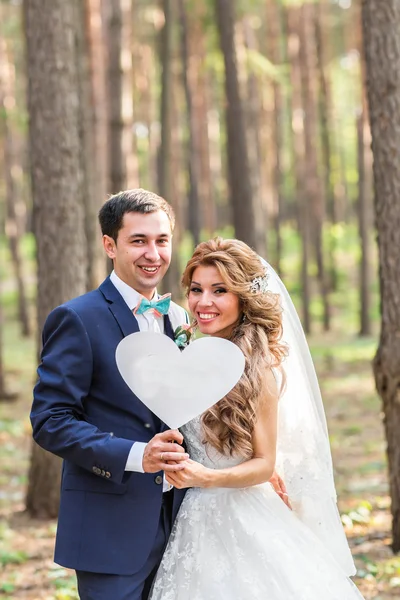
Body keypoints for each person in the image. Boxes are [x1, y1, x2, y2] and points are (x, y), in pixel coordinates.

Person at [150, 237, 365, 600]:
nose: (204, 302)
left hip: (242, 512)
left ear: (243, 298)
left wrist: (207, 477)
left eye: (220, 290)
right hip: (192, 519)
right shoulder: (186, 352)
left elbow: (265, 464)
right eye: (196, 289)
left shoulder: (258, 368)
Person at [30, 189, 191, 600]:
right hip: (109, 526)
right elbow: (51, 421)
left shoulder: (181, 318)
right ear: (109, 245)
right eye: (138, 241)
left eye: (161, 240)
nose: (152, 253)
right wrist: (138, 456)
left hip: (183, 524)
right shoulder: (77, 318)